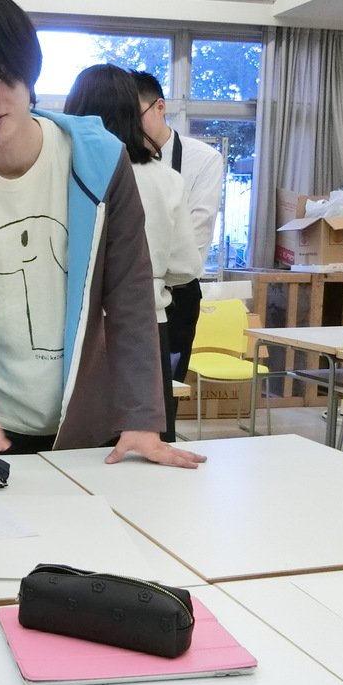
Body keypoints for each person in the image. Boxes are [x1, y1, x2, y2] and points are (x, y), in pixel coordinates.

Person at [0, 0, 205, 469]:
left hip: (92, 424)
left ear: (30, 70)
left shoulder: (100, 161)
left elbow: (129, 290)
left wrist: (142, 417)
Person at [64, 64, 202, 442]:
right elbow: (186, 266)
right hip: (145, 324)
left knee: (75, 447)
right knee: (143, 447)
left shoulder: (61, 174)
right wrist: (152, 275)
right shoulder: (165, 179)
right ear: (131, 111)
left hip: (73, 330)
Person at [130, 70, 225, 383]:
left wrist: (153, 272)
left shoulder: (204, 159)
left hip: (178, 296)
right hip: (130, 295)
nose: (130, 126)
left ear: (160, 107)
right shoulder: (121, 158)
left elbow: (195, 240)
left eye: (136, 115)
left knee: (166, 392)